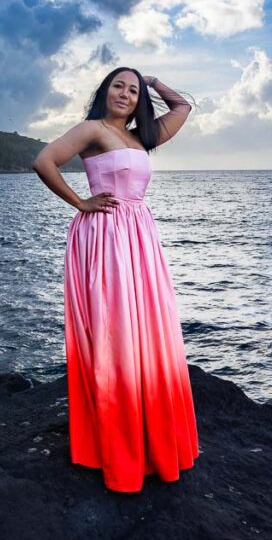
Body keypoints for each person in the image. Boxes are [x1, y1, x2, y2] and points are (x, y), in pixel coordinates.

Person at [32, 67, 200, 493]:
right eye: (118, 86)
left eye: (132, 89)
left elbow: (183, 107)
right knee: (116, 333)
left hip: (139, 238)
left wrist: (155, 81)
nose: (125, 94)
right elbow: (43, 161)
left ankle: (149, 435)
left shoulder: (142, 137)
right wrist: (81, 204)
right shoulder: (93, 129)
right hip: (106, 235)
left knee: (147, 333)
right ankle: (117, 443)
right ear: (105, 91)